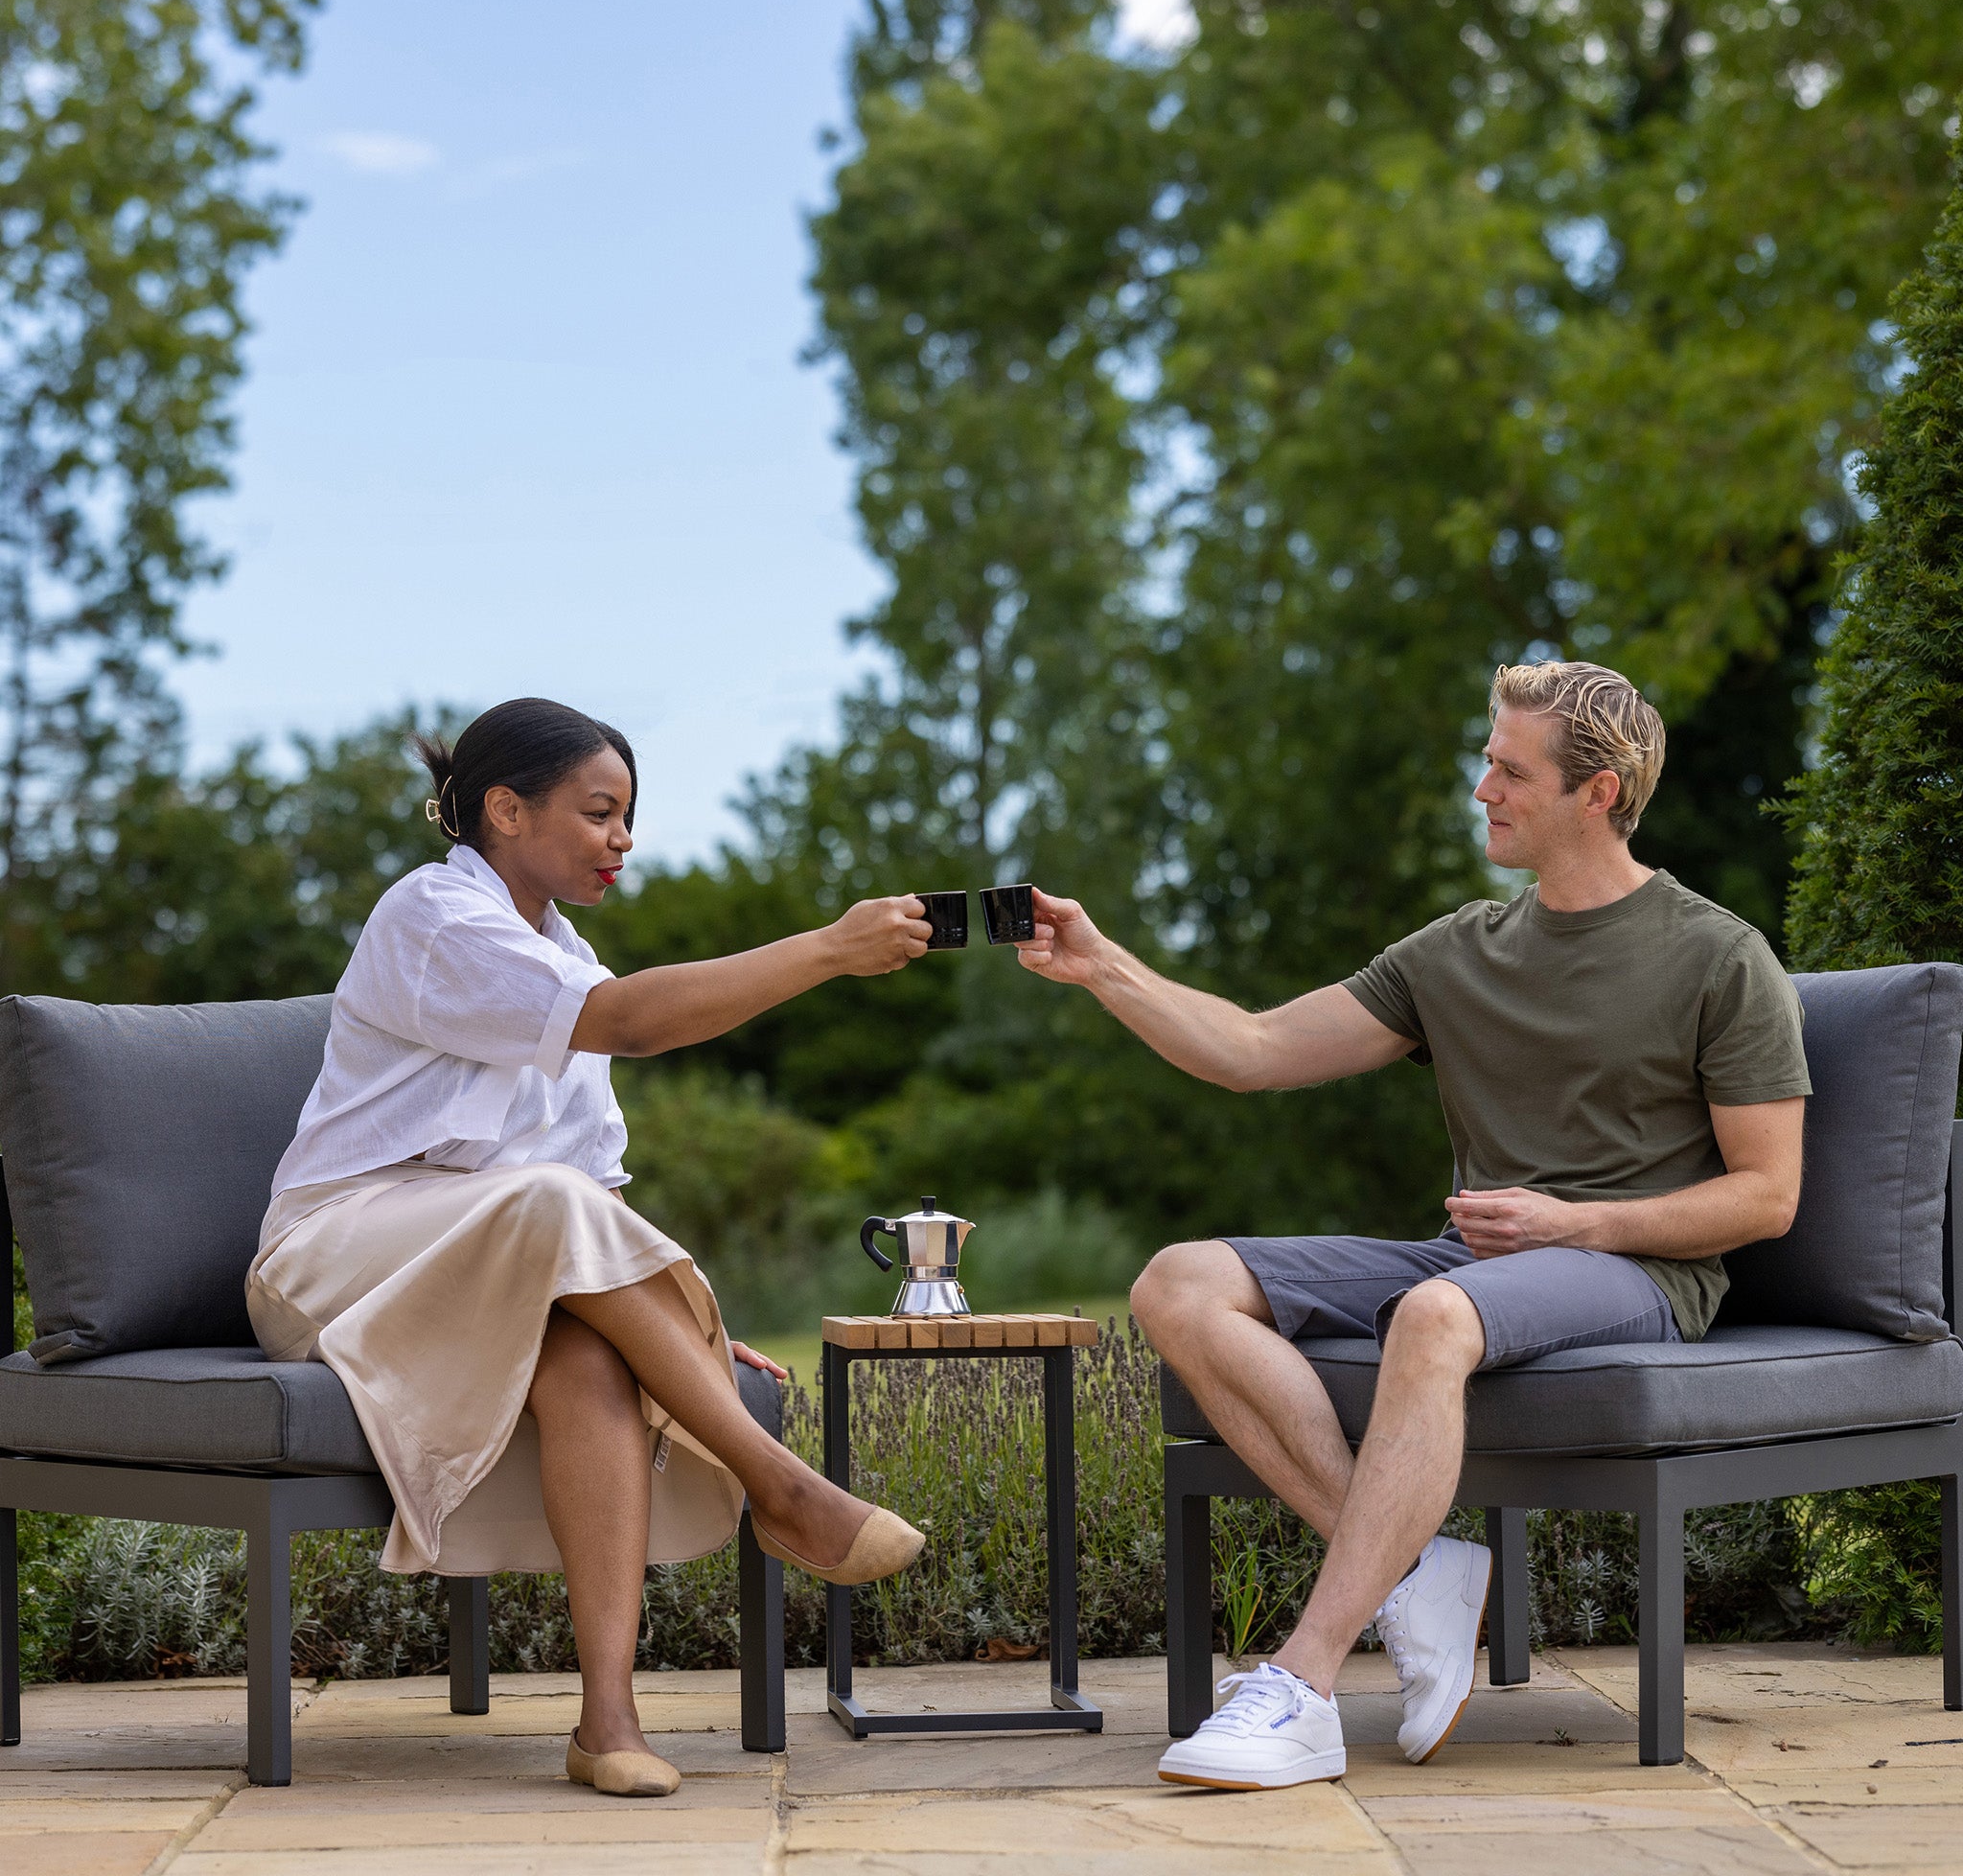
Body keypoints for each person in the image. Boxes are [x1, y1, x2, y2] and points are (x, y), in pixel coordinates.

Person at [1015, 660, 1810, 1792]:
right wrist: (1102, 967)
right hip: (1477, 1259)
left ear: (1598, 792)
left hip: (1635, 1268)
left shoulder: (1717, 954)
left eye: (1507, 767)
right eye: (1485, 758)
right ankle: (1415, 1569)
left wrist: (1574, 1223)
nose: (1480, 785)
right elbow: (1250, 1051)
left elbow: (1764, 1194)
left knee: (1432, 1316)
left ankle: (1304, 1684)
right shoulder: (1458, 949)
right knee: (1175, 1281)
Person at [249, 698, 935, 1797]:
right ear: (504, 809)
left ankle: (606, 1718)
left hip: (503, 1262)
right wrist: (827, 948)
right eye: (599, 811)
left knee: (589, 1356)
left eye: (629, 816)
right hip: (334, 1264)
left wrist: (663, 1314)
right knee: (548, 1202)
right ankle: (784, 1489)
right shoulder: (432, 915)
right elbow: (629, 1025)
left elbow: (597, 1192)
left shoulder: (564, 953)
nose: (623, 838)